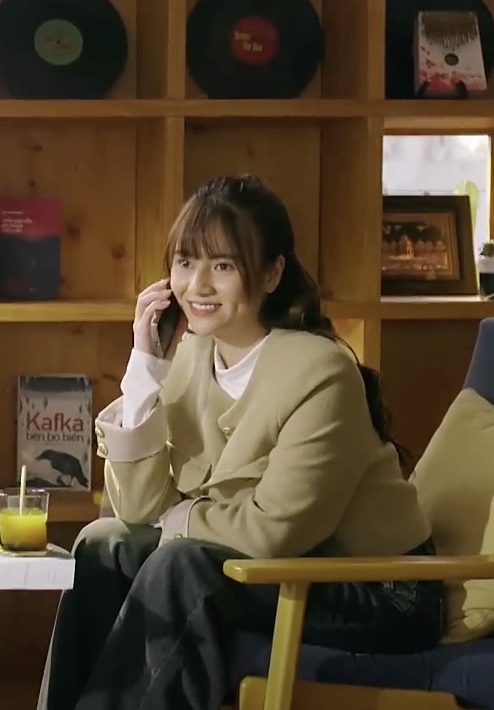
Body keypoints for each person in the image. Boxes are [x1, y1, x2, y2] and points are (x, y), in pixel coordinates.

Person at [36, 174, 443, 710]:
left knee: (180, 566)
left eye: (223, 266)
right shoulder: (188, 357)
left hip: (380, 591)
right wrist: (144, 370)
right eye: (185, 262)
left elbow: (273, 534)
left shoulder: (320, 372)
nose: (197, 285)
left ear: (272, 273)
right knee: (103, 544)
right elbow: (137, 509)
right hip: (274, 573)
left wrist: (176, 521)